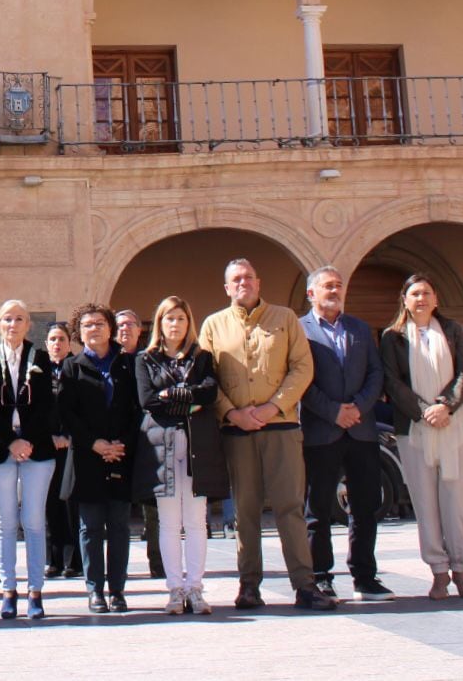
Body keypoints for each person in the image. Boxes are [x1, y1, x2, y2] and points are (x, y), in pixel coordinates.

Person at [200, 258, 334, 611]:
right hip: (237, 431)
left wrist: (272, 407)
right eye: (236, 279)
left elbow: (302, 367)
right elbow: (204, 377)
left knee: (290, 507)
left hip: (282, 427)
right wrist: (231, 412)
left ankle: (305, 585)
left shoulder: (285, 318)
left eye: (248, 277)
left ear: (259, 283)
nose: (243, 283)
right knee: (245, 511)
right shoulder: (213, 325)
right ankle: (248, 586)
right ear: (226, 287)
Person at [381, 274, 463, 600]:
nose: (420, 299)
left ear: (436, 298)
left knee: (458, 501)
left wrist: (446, 406)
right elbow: (392, 382)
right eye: (414, 294)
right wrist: (424, 410)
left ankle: (460, 569)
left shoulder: (453, 331)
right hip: (416, 429)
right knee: (426, 502)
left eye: (426, 293)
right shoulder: (391, 337)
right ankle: (438, 572)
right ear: (404, 300)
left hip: (456, 425)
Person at [299, 266, 393, 602]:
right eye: (327, 286)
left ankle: (365, 576)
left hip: (361, 431)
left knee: (366, 506)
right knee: (318, 509)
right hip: (321, 432)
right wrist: (333, 411)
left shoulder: (360, 329)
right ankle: (321, 575)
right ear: (311, 293)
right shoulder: (300, 330)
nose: (334, 291)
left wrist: (357, 407)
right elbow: (301, 381)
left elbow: (375, 373)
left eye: (338, 286)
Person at [135, 296, 225, 616]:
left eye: (181, 319)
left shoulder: (202, 358)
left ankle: (196, 588)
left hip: (197, 444)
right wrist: (188, 399)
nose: (175, 324)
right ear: (159, 323)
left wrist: (172, 396)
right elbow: (147, 400)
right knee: (169, 522)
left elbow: (209, 392)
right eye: (169, 318)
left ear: (189, 323)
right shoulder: (145, 359)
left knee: (196, 521)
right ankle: (175, 588)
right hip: (163, 448)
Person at [0, 300, 56, 620]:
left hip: (36, 449)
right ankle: (8, 589)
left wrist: (28, 442)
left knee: (34, 521)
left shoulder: (41, 359)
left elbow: (48, 407)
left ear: (28, 324)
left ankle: (35, 591)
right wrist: (11, 442)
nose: (13, 324)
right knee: (6, 521)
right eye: (7, 319)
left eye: (19, 319)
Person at [56, 304, 136, 613]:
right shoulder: (72, 367)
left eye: (100, 323)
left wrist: (120, 444)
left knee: (119, 525)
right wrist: (94, 443)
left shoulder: (127, 364)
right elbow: (67, 412)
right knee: (89, 527)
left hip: (120, 454)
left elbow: (136, 409)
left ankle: (117, 590)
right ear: (79, 331)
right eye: (87, 325)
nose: (94, 329)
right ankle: (95, 590)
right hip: (88, 458)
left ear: (111, 327)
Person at [42, 320, 82, 579]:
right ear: (46, 344)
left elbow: (81, 408)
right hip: (46, 446)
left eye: (61, 339)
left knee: (70, 503)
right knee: (48, 503)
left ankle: (73, 560)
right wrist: (49, 437)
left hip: (71, 446)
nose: (57, 344)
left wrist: (68, 435)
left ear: (69, 343)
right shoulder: (38, 371)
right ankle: (52, 559)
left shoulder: (76, 369)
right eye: (53, 339)